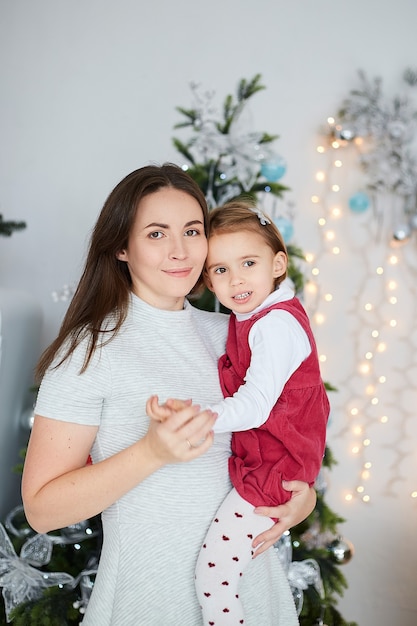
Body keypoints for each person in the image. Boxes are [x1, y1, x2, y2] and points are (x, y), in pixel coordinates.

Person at [21, 164, 316, 626]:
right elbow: (41, 510)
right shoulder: (89, 349)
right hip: (146, 602)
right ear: (121, 246)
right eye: (157, 234)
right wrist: (152, 452)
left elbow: (288, 429)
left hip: (254, 597)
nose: (180, 251)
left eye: (192, 231)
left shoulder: (238, 333)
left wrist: (302, 498)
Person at [148, 201, 329, 625]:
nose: (236, 279)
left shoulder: (274, 325)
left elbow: (255, 404)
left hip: (273, 469)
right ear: (208, 278)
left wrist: (198, 418)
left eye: (248, 262)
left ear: (278, 263)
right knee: (223, 575)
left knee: (214, 578)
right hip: (268, 461)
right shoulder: (253, 316)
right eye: (221, 270)